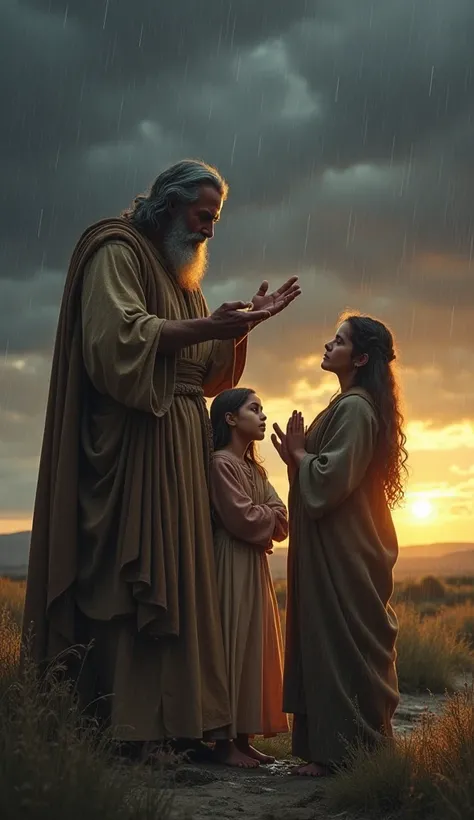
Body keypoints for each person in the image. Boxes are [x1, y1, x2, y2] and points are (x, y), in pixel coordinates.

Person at [22, 159, 301, 756]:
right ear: (170, 204)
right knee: (132, 582)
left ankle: (176, 726)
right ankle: (127, 728)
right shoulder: (115, 251)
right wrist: (207, 325)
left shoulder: (184, 279)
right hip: (133, 446)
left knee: (178, 581)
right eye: (204, 216)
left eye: (215, 220)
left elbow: (203, 380)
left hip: (179, 448)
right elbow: (117, 339)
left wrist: (237, 329)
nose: (208, 231)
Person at [272, 313, 407, 776]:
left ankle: (346, 755)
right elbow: (321, 474)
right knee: (325, 642)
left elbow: (330, 480)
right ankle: (325, 751)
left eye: (340, 341)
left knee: (342, 647)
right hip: (334, 549)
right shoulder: (347, 403)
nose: (328, 345)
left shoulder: (355, 408)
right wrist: (298, 461)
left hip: (348, 554)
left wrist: (300, 457)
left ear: (361, 357)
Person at [209, 388, 289, 768]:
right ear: (229, 418)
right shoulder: (219, 464)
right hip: (230, 561)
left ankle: (244, 737)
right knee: (231, 641)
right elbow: (239, 517)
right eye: (253, 409)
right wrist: (265, 516)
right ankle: (223, 743)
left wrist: (265, 515)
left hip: (255, 563)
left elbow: (281, 515)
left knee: (254, 645)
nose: (262, 415)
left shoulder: (254, 469)